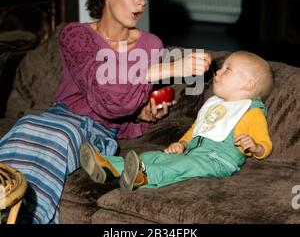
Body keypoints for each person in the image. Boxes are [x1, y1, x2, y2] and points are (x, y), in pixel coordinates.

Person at [0, 0, 211, 223]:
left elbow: (114, 106)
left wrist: (141, 114)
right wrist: (169, 68)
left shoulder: (150, 45)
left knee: (59, 139)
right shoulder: (75, 35)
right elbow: (101, 88)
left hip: (95, 131)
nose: (140, 3)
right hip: (55, 116)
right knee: (23, 130)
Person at [80, 51, 273, 191]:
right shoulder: (214, 103)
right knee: (154, 157)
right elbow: (196, 129)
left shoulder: (250, 111)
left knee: (180, 167)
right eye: (221, 67)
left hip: (218, 160)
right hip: (193, 152)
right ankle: (109, 166)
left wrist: (255, 147)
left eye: (227, 69)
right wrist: (182, 143)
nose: (218, 72)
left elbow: (265, 144)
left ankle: (145, 177)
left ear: (248, 85)